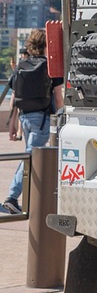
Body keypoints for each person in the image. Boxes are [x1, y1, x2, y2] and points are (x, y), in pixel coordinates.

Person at [3, 28, 64, 214]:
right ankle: (12, 197)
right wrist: (62, 115)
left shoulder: (22, 64)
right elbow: (58, 96)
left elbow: (14, 95)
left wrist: (12, 123)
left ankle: (29, 200)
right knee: (30, 158)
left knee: (29, 158)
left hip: (25, 116)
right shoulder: (50, 67)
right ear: (47, 45)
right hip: (42, 119)